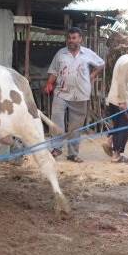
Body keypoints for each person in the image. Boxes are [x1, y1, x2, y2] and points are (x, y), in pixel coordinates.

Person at [44, 26, 105, 163]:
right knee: (57, 121)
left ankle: (72, 153)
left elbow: (101, 64)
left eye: (74, 38)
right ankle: (56, 148)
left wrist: (92, 75)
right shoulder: (61, 54)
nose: (71, 40)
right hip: (61, 92)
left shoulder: (88, 54)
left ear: (80, 39)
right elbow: (53, 70)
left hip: (80, 94)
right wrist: (49, 83)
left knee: (75, 126)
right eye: (69, 38)